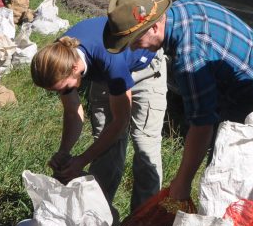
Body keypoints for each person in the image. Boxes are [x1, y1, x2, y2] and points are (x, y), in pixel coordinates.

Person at [104, 0, 253, 203]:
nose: (133, 49)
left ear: (153, 27)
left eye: (134, 41)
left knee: (241, 187)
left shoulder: (189, 56)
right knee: (221, 168)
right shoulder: (184, 7)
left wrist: (182, 181)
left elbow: (202, 125)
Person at [29, 16, 167, 211]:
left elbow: (120, 122)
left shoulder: (109, 59)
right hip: (104, 76)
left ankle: (143, 220)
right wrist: (64, 152)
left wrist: (82, 160)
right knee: (104, 146)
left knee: (144, 145)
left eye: (63, 88)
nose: (62, 93)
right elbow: (71, 111)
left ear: (75, 68)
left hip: (145, 70)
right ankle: (97, 215)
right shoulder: (58, 56)